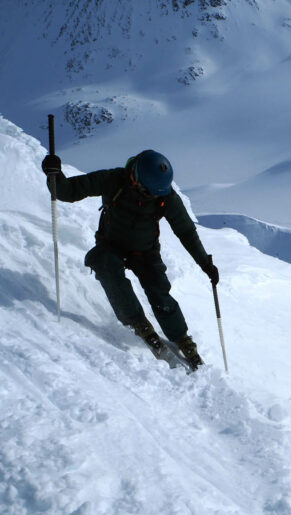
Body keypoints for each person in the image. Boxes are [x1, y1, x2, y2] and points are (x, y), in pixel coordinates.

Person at [42, 149, 219, 370]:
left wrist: (206, 264)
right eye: (149, 191)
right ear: (136, 178)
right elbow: (68, 191)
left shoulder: (165, 196)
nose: (153, 196)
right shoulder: (113, 180)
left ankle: (181, 338)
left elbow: (186, 232)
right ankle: (138, 323)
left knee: (159, 292)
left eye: (156, 193)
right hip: (111, 246)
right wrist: (54, 174)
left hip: (145, 251)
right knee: (106, 266)